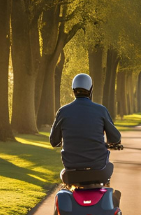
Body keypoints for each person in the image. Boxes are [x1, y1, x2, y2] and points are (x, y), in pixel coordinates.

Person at [50, 73, 122, 205]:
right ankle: (109, 200)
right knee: (109, 166)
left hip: (72, 171)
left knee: (63, 175)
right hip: (98, 170)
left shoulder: (63, 111)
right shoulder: (101, 110)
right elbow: (115, 138)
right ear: (91, 90)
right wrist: (112, 142)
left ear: (73, 91)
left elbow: (53, 141)